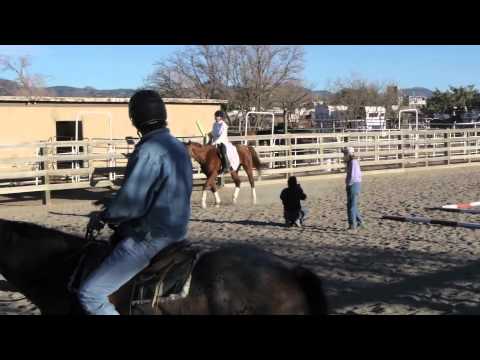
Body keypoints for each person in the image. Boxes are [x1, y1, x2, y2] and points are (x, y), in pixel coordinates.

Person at [77, 90, 193, 315]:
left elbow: (131, 204)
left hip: (150, 238)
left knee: (90, 294)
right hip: (178, 232)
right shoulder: (178, 146)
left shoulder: (148, 150)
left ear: (135, 119)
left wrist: (104, 215)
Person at [342, 146, 364, 230]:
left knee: (351, 206)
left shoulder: (353, 162)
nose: (344, 155)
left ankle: (352, 225)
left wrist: (348, 184)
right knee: (352, 205)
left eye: (345, 153)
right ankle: (360, 221)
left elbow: (353, 176)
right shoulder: (351, 162)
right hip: (354, 184)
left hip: (353, 184)